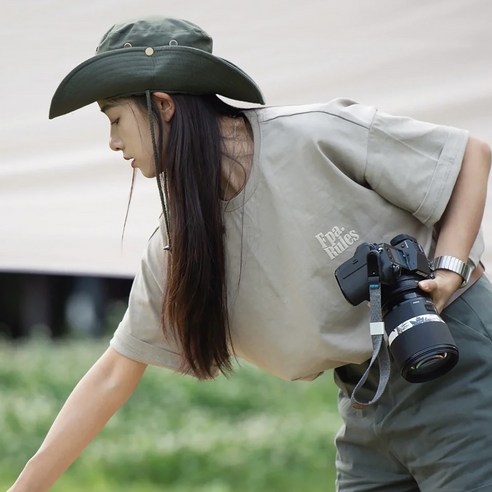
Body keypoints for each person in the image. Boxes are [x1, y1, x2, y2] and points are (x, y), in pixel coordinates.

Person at [8, 15, 492, 492]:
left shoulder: (311, 135)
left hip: (451, 357)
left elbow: (468, 154)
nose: (113, 143)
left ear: (162, 105)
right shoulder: (182, 235)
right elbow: (116, 370)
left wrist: (449, 268)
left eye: (115, 120)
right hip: (365, 394)